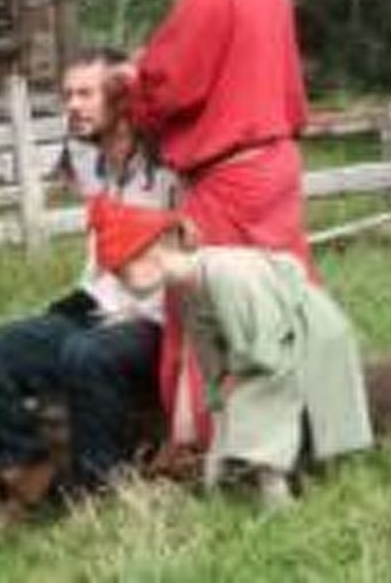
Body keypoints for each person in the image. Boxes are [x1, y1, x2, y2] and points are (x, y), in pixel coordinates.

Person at [115, 0, 315, 449]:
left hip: (228, 178)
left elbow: (171, 85)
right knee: (281, 300)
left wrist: (131, 78)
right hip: (276, 163)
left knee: (207, 307)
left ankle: (204, 442)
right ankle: (300, 424)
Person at [0, 54, 176, 522]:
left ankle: (99, 491)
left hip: (156, 314)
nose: (72, 105)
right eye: (67, 95)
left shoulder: (170, 162)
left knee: (85, 355)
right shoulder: (88, 159)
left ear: (120, 97)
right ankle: (31, 477)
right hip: (97, 302)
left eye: (85, 94)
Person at [88, 197, 371, 508]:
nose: (121, 282)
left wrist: (233, 378)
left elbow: (263, 345)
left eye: (121, 271)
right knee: (228, 401)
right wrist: (217, 388)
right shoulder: (186, 290)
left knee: (259, 395)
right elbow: (209, 349)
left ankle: (274, 489)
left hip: (306, 336)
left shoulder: (227, 273)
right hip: (262, 350)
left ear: (149, 254)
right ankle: (222, 485)